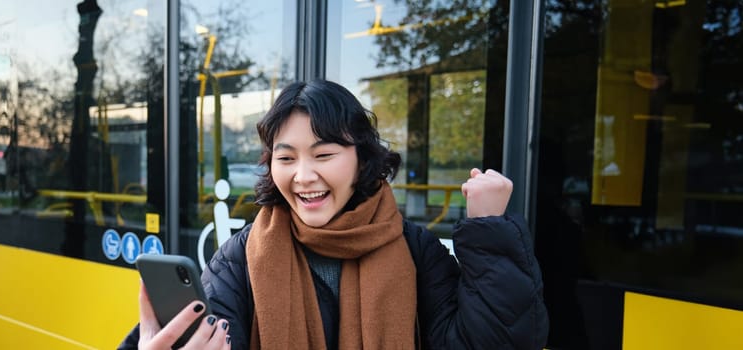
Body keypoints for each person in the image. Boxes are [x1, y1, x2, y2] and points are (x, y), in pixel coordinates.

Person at [120, 79, 549, 349]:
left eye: (324, 154)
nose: (304, 176)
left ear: (362, 158)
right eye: (285, 158)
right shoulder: (242, 255)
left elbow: (497, 341)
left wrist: (489, 230)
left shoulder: (415, 249)